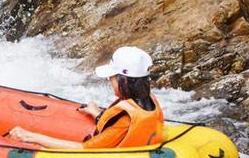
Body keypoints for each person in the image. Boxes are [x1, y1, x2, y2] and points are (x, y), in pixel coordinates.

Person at [9, 46, 164, 149]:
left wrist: (30, 136)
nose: (109, 80)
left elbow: (83, 149)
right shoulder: (148, 101)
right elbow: (120, 131)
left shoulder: (126, 119)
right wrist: (96, 113)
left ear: (124, 80)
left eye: (112, 77)